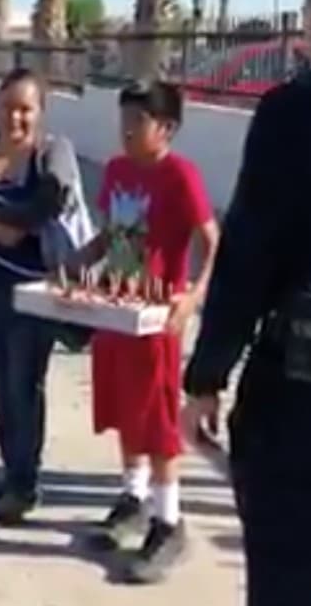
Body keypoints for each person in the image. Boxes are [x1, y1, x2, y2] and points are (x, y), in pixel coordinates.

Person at [181, 0, 311, 606]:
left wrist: (206, 378)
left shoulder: (294, 112)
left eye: (308, 22)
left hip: (302, 397)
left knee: (287, 584)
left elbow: (249, 257)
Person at [62, 81, 221, 584]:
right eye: (124, 120)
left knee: (156, 419)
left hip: (156, 318)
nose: (127, 131)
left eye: (139, 122)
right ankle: (133, 497)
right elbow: (110, 233)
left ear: (166, 128)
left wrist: (193, 295)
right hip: (115, 310)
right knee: (122, 407)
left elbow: (211, 239)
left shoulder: (180, 176)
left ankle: (168, 521)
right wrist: (79, 261)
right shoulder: (116, 170)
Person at [0, 68, 91, 525]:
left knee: (24, 387)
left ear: (41, 112)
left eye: (25, 109)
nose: (15, 117)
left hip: (33, 296)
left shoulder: (53, 153)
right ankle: (11, 469)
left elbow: (46, 205)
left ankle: (24, 483)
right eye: (7, 107)